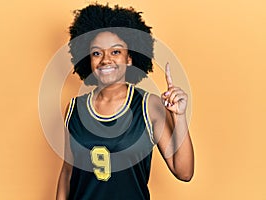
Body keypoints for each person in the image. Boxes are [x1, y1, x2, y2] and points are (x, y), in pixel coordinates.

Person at [56, 3, 194, 200]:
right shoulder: (74, 109)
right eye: (97, 53)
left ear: (129, 59)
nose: (105, 59)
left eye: (115, 52)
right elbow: (68, 172)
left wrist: (179, 117)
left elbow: (184, 172)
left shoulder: (148, 106)